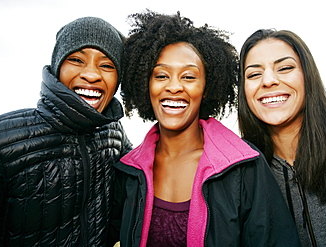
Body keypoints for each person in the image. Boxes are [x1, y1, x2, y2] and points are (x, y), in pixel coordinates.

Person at [113, 11, 300, 246]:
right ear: (144, 83)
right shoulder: (127, 171)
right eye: (161, 75)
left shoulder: (245, 167)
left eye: (189, 77)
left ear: (207, 87)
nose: (173, 87)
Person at [0, 17, 132, 246]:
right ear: (57, 67)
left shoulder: (114, 132)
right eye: (77, 60)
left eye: (106, 65)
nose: (91, 74)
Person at [237, 28, 326, 247]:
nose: (268, 81)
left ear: (307, 75)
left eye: (284, 68)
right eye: (254, 74)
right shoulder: (242, 168)